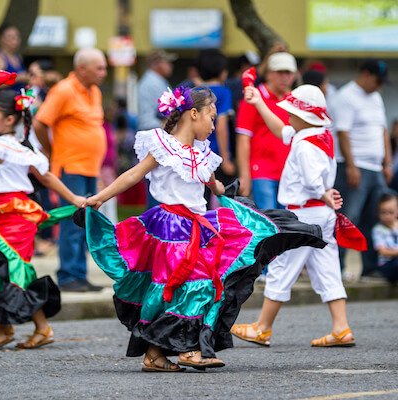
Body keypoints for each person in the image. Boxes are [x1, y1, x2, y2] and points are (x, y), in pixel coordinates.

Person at [80, 85, 326, 372]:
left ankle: (155, 354)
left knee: (192, 287)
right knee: (188, 286)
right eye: (211, 116)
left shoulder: (201, 152)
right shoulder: (162, 145)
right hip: (170, 230)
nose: (213, 124)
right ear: (193, 114)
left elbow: (213, 185)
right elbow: (133, 174)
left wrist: (230, 196)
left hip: (198, 226)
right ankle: (188, 350)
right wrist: (99, 198)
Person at [232, 84, 355, 348]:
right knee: (327, 267)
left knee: (282, 265)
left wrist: (324, 194)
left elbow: (312, 181)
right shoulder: (319, 134)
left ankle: (262, 327)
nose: (288, 115)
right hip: (321, 215)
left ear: (303, 116)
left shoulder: (304, 146)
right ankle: (341, 327)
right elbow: (282, 131)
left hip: (305, 214)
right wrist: (259, 103)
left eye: (292, 111)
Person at [0, 89, 85, 350]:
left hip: (13, 217)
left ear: (9, 120)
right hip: (14, 214)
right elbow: (45, 177)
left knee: (7, 267)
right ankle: (9, 327)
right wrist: (73, 198)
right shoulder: (21, 149)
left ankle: (33, 328)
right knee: (2, 267)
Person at [33, 48, 107, 292]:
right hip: (70, 166)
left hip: (89, 167)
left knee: (86, 222)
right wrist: (51, 151)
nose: (104, 73)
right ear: (82, 68)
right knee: (72, 222)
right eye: (99, 68)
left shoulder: (94, 91)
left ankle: (80, 274)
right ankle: (67, 276)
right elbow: (41, 122)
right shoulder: (64, 90)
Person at [330, 59, 392, 277]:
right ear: (365, 74)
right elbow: (343, 133)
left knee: (374, 218)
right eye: (377, 80)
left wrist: (387, 162)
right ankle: (337, 267)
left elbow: (383, 130)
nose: (379, 86)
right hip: (354, 167)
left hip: (375, 167)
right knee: (349, 217)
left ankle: (371, 268)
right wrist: (352, 166)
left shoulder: (375, 97)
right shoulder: (346, 96)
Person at [236, 52, 297, 208]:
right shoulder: (253, 97)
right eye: (280, 72)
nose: (284, 77)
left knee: (288, 225)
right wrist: (244, 174)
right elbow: (243, 138)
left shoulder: (294, 100)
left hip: (290, 174)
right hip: (262, 172)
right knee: (268, 224)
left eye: (288, 72)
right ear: (269, 73)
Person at [195, 49, 235, 184]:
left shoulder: (194, 92)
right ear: (222, 72)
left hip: (196, 153)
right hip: (216, 153)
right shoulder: (224, 92)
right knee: (224, 196)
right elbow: (221, 126)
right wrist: (225, 159)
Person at [137, 50, 175, 131]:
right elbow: (147, 119)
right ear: (158, 64)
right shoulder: (152, 82)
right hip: (152, 130)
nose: (170, 66)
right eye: (167, 62)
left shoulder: (157, 80)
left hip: (154, 129)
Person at [0, 25, 28, 90]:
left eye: (17, 36)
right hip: (4, 98)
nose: (15, 39)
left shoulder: (18, 57)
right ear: (0, 39)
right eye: (10, 36)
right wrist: (17, 78)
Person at [372, 193, 398, 283]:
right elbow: (382, 251)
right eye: (383, 212)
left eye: (391, 212)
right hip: (387, 265)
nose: (387, 216)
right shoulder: (378, 230)